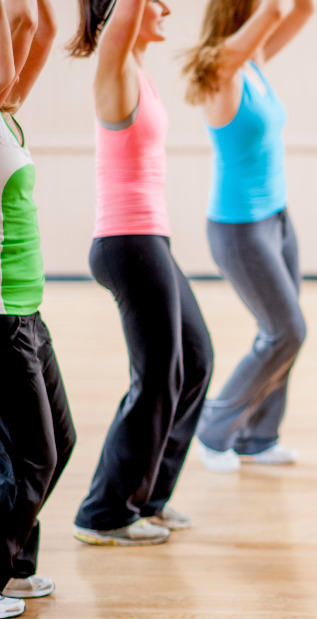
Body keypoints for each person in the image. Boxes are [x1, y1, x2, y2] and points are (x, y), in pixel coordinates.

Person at [69, 0, 213, 546]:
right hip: (127, 241)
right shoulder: (115, 60)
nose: (167, 8)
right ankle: (103, 512)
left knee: (194, 361)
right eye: (154, 1)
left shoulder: (139, 73)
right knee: (156, 377)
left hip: (150, 239)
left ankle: (148, 496)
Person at [184, 0, 313, 473]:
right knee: (286, 330)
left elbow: (301, 10)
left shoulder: (254, 64)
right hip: (239, 229)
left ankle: (258, 437)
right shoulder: (222, 70)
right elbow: (277, 11)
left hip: (277, 220)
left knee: (283, 334)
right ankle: (215, 429)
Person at [0, 0, 73, 619]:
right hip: (1, 316)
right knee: (34, 456)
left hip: (29, 309)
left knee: (62, 442)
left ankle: (16, 564)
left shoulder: (8, 114)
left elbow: (38, 26)